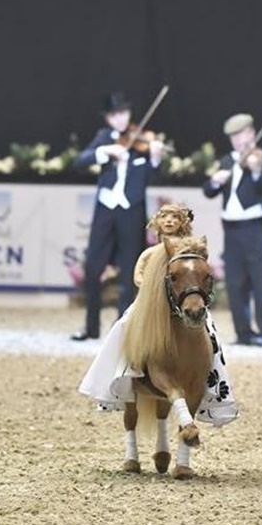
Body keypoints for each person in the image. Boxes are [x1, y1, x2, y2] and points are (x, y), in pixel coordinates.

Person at [78, 203, 239, 426]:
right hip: (150, 302)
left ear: (183, 223)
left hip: (181, 301)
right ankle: (122, 368)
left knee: (210, 332)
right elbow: (138, 277)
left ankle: (214, 377)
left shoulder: (188, 250)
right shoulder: (150, 253)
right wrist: (153, 288)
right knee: (124, 325)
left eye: (175, 217)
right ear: (157, 222)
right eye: (164, 217)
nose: (169, 221)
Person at [71, 92, 165, 341]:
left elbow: (154, 178)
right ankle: (90, 327)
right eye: (114, 115)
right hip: (105, 209)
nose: (120, 119)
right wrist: (106, 151)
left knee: (129, 272)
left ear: (129, 113)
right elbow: (79, 162)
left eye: (123, 113)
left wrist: (155, 158)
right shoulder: (104, 138)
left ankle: (121, 331)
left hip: (131, 212)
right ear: (108, 118)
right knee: (93, 267)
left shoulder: (144, 143)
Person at [202, 113, 262, 346]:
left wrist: (256, 171)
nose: (237, 140)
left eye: (241, 134)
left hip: (254, 228)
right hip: (231, 230)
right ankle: (243, 333)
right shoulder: (227, 161)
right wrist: (215, 181)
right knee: (235, 284)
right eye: (233, 136)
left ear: (252, 133)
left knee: (260, 282)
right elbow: (208, 191)